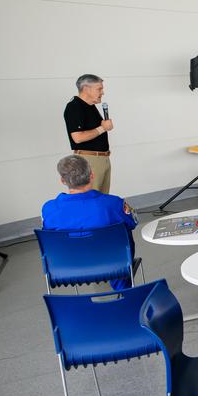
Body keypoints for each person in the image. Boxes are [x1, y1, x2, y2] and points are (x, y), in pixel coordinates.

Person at [41, 155, 136, 289]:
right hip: (111, 263)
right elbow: (133, 223)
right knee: (125, 232)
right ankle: (123, 288)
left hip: (67, 267)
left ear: (62, 180)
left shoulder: (49, 209)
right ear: (91, 175)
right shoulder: (113, 203)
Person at [63, 73, 114, 193]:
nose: (102, 92)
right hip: (90, 161)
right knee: (91, 199)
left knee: (102, 199)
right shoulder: (74, 107)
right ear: (86, 89)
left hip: (102, 159)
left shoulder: (90, 106)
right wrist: (103, 128)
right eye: (99, 89)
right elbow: (78, 138)